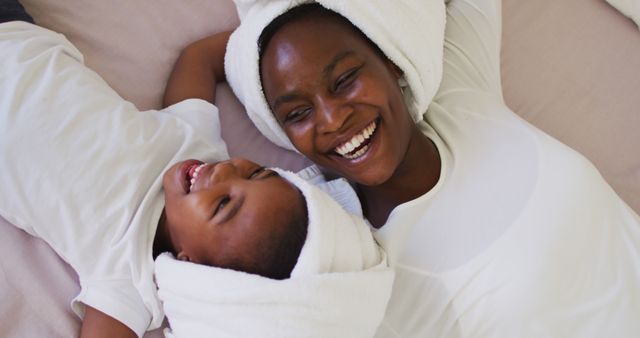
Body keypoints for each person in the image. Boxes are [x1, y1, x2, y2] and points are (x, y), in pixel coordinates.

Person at [197, 0, 639, 336]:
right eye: (296, 113)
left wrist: (270, 21)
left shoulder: (460, 96)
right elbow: (188, 183)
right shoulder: (348, 258)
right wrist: (239, 49)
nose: (332, 120)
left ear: (391, 62)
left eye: (345, 79)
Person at [0, 2, 390, 337]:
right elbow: (199, 59)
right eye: (255, 172)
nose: (223, 173)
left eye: (222, 205)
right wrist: (271, 36)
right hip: (17, 37)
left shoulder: (129, 281)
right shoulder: (196, 144)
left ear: (191, 264)